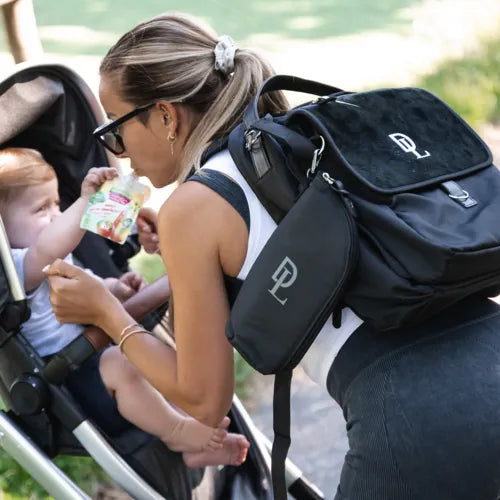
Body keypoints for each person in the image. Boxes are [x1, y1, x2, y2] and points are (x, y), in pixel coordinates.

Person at [43, 12, 500, 499]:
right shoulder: (291, 140)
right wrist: (175, 265)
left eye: (117, 129)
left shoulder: (193, 207)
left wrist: (108, 314)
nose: (119, 151)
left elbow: (203, 398)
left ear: (165, 116)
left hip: (418, 417)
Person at [0, 147, 249, 469]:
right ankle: (177, 431)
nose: (56, 215)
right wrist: (86, 200)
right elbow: (49, 246)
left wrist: (116, 288)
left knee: (143, 352)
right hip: (68, 380)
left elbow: (88, 285)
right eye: (41, 208)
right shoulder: (17, 271)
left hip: (91, 355)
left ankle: (190, 428)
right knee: (123, 360)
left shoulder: (57, 261)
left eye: (57, 204)